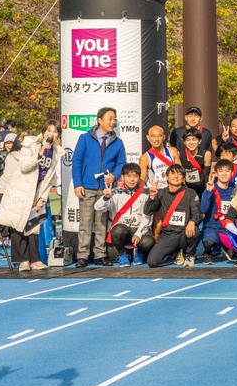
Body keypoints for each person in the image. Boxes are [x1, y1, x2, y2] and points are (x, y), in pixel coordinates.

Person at [0, 123, 62, 270]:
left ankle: (35, 259)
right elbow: (24, 167)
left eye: (55, 132)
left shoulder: (57, 152)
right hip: (22, 188)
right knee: (18, 222)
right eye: (49, 131)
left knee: (33, 224)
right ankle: (22, 260)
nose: (51, 134)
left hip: (37, 191)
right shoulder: (30, 144)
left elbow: (50, 179)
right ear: (43, 132)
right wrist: (40, 154)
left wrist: (42, 198)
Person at [71, 107, 126, 267]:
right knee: (85, 223)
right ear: (100, 120)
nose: (112, 122)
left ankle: (100, 255)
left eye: (114, 119)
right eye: (109, 118)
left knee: (102, 223)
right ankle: (82, 255)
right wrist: (78, 184)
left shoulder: (118, 142)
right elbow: (77, 161)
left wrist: (115, 175)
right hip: (87, 187)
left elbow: (121, 163)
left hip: (105, 189)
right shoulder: (85, 138)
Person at [142, 165, 201, 268]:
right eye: (173, 173)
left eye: (179, 174)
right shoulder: (160, 193)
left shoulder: (190, 193)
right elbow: (147, 211)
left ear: (183, 179)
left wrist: (192, 222)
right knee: (152, 262)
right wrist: (152, 197)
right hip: (168, 235)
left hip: (184, 233)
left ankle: (190, 255)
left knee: (195, 230)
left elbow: (197, 213)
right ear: (166, 177)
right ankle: (174, 253)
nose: (176, 176)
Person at [95, 163, 152, 267]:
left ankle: (139, 253)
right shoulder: (114, 192)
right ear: (122, 177)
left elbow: (147, 215)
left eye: (135, 176)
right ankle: (123, 256)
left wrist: (139, 233)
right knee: (117, 230)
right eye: (128, 176)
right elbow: (98, 208)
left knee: (148, 241)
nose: (132, 179)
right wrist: (105, 198)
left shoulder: (146, 192)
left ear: (139, 177)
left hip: (139, 230)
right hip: (123, 230)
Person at [139, 124, 180, 190]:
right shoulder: (145, 158)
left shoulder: (173, 151)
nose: (156, 139)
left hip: (173, 190)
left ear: (164, 137)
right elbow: (142, 181)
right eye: (153, 136)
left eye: (159, 136)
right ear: (148, 137)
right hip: (156, 192)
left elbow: (180, 172)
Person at [181, 128, 213, 193]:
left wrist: (207, 192)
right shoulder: (180, 154)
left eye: (194, 139)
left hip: (201, 190)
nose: (191, 143)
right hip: (185, 191)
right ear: (184, 142)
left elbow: (206, 175)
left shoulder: (206, 154)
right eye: (188, 140)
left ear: (200, 141)